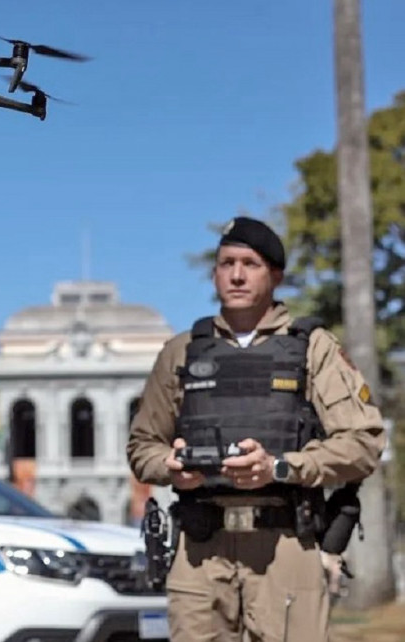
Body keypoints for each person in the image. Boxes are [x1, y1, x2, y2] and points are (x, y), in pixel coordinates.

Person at [126, 216, 386, 642]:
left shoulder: (312, 347)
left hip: (284, 544)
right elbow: (141, 446)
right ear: (214, 274)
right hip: (199, 548)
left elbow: (364, 443)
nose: (237, 274)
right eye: (227, 263)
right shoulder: (181, 352)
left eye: (251, 263)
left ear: (276, 275)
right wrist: (170, 467)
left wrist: (280, 467)